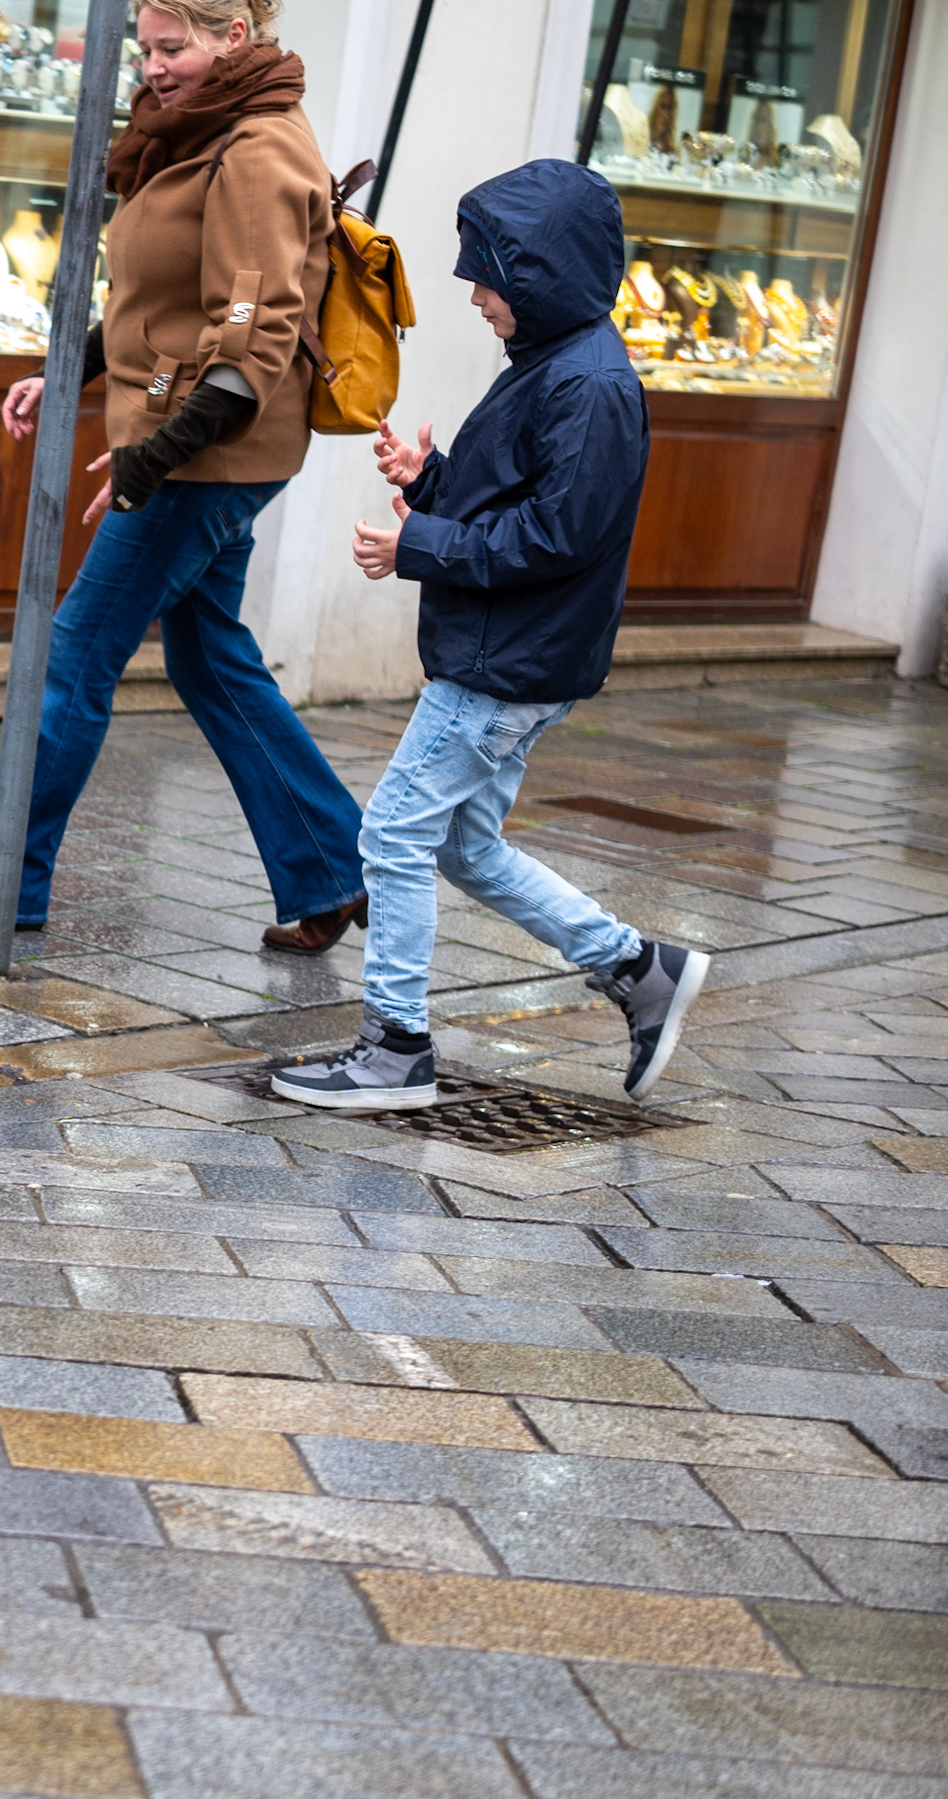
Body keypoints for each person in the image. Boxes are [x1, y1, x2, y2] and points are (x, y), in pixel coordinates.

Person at [0, 0, 367, 953]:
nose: (153, 67)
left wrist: (152, 460)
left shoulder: (256, 150)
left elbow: (252, 336)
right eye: (146, 48)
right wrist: (67, 371)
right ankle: (332, 869)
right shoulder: (201, 129)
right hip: (196, 445)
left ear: (233, 37)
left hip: (204, 456)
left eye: (173, 48)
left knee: (75, 654)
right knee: (209, 656)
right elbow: (155, 300)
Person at [272, 158, 705, 1111]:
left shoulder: (589, 385)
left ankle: (395, 1049)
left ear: (539, 276)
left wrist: (417, 544)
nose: (475, 297)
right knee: (465, 848)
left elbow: (557, 536)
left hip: (502, 665)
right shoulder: (558, 365)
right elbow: (526, 502)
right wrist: (430, 481)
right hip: (508, 652)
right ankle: (640, 970)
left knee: (392, 833)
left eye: (489, 279)